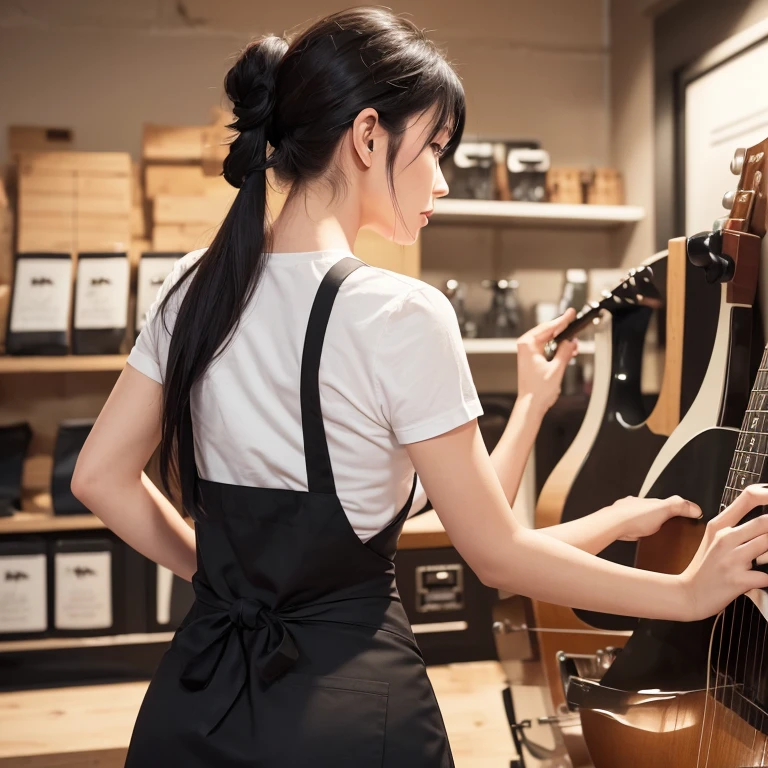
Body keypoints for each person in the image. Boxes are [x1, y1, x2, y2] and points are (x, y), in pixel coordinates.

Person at [71, 7, 768, 767]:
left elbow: (101, 478)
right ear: (368, 137)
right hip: (348, 717)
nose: (440, 177)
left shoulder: (190, 285)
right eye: (434, 147)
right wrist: (688, 592)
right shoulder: (399, 312)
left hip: (197, 699)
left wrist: (531, 405)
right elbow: (496, 557)